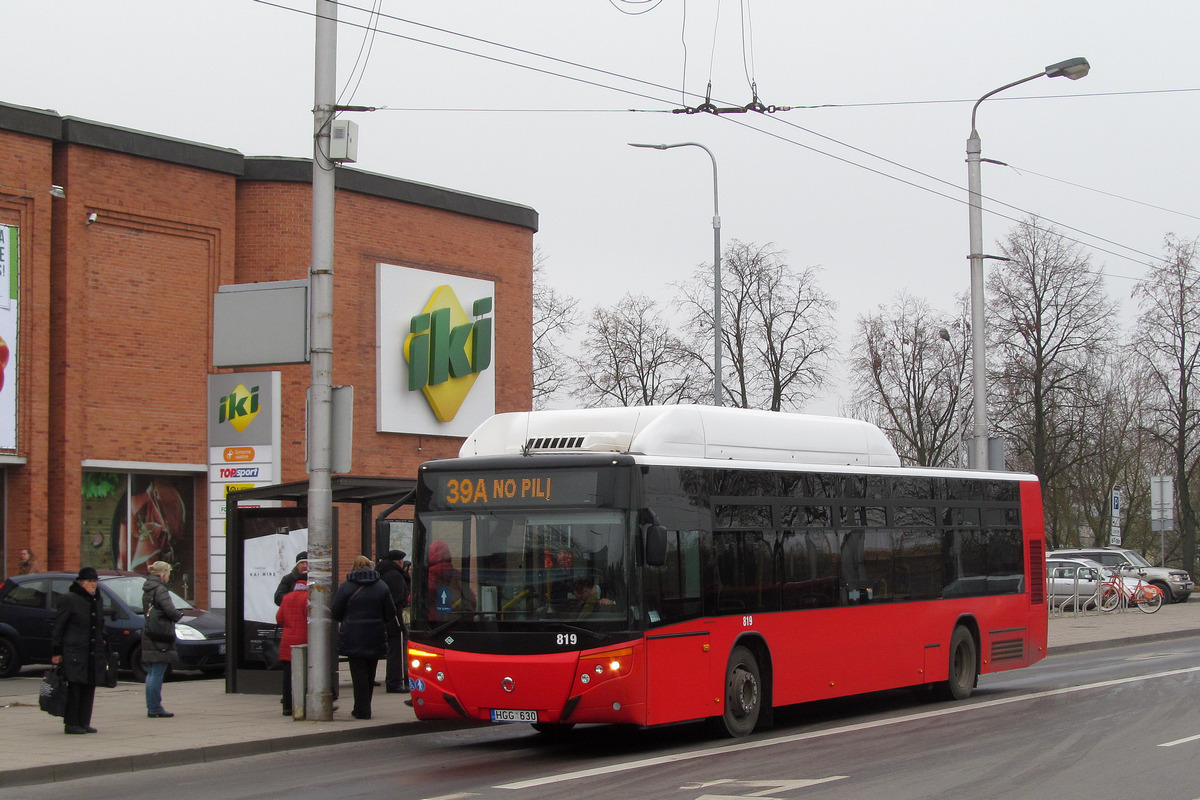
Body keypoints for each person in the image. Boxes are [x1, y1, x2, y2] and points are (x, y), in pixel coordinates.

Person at [331, 556, 395, 720]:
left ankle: (361, 709)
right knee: (370, 673)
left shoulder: (346, 587)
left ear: (354, 567)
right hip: (375, 635)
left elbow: (336, 612)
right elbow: (390, 612)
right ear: (370, 566)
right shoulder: (381, 587)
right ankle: (365, 708)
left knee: (358, 674)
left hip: (353, 635)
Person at [51, 567, 108, 734]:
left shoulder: (97, 600)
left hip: (92, 651)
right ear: (81, 582)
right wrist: (56, 652)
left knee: (89, 686)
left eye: (95, 581)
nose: (93, 584)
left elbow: (100, 623)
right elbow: (59, 627)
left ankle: (84, 722)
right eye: (90, 581)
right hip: (74, 651)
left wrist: (103, 639)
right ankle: (71, 723)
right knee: (75, 687)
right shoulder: (70, 599)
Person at [141, 560, 183, 718]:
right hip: (161, 635)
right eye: (169, 574)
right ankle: (155, 707)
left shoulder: (148, 587)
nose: (169, 577)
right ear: (163, 574)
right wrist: (179, 616)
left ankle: (152, 706)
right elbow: (169, 610)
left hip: (150, 632)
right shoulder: (161, 589)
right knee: (158, 671)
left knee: (152, 672)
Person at [375, 550, 410, 693]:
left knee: (392, 650)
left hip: (382, 617)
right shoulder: (396, 576)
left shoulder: (381, 573)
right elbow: (397, 599)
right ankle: (395, 682)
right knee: (396, 650)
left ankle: (393, 681)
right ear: (400, 561)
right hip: (395, 618)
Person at [275, 578, 308, 716]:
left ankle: (287, 707)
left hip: (287, 642)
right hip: (304, 640)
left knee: (288, 675)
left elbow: (279, 619)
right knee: (306, 674)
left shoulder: (286, 598)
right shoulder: (308, 598)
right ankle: (303, 704)